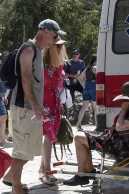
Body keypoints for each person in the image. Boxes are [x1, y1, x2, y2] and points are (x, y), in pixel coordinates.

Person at [2, 19, 66, 194]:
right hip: (23, 108)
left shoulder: (37, 50)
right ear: (45, 31)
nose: (53, 41)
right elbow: (25, 79)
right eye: (53, 36)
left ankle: (13, 181)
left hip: (29, 108)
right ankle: (16, 188)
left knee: (29, 150)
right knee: (22, 151)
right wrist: (36, 105)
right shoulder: (29, 49)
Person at [63, 81, 129, 186]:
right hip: (119, 141)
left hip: (122, 146)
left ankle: (82, 175)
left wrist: (123, 110)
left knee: (79, 137)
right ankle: (88, 172)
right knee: (82, 136)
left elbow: (119, 127)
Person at [38, 37, 68, 185]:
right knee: (49, 137)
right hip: (44, 103)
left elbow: (57, 86)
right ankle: (47, 172)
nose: (61, 50)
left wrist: (60, 103)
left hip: (54, 102)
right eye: (58, 47)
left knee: (49, 137)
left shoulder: (58, 65)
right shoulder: (42, 65)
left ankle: (42, 169)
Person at [76, 54, 97, 130]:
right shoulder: (95, 67)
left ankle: (78, 124)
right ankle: (97, 125)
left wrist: (83, 85)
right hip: (94, 86)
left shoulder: (87, 68)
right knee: (95, 107)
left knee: (84, 107)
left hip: (86, 86)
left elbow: (80, 78)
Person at [64, 49, 85, 118]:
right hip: (70, 83)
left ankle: (85, 111)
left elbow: (83, 72)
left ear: (79, 55)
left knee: (86, 93)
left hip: (79, 82)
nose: (75, 55)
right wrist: (73, 76)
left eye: (76, 54)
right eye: (74, 53)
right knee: (70, 99)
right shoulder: (68, 62)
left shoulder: (82, 62)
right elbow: (63, 74)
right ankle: (68, 117)